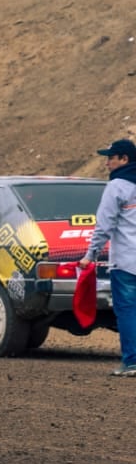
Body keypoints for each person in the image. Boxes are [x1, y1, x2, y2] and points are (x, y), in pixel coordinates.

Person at [82, 137, 136, 376]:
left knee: (127, 311)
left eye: (110, 158)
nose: (106, 164)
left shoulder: (117, 186)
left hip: (126, 261)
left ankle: (132, 361)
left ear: (124, 159)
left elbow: (104, 226)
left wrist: (90, 255)